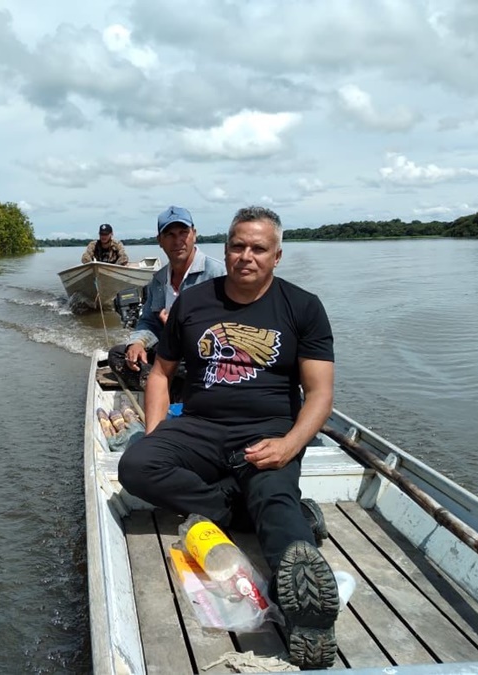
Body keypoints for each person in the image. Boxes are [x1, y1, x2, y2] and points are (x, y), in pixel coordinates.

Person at [118, 206, 339, 669]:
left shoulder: (303, 307)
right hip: (200, 427)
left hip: (268, 433)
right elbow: (161, 373)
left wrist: (290, 445)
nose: (246, 256)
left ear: (277, 255)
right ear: (225, 249)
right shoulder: (194, 304)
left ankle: (308, 617)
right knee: (136, 466)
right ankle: (239, 509)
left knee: (274, 501)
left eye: (258, 248)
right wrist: (158, 436)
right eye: (238, 246)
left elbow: (319, 393)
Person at [108, 206, 226, 389]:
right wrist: (138, 343)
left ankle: (164, 384)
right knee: (117, 354)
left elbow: (231, 326)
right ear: (160, 241)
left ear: (194, 234)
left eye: (183, 233)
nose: (177, 240)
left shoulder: (217, 274)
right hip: (168, 355)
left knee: (189, 368)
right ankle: (161, 383)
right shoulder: (159, 280)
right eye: (170, 235)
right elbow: (148, 321)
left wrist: (180, 326)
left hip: (203, 356)